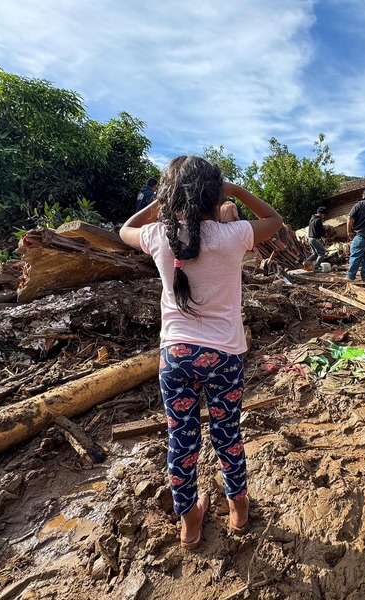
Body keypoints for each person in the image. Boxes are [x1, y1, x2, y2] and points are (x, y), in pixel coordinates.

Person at [120, 156, 283, 550]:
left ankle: (190, 521)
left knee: (182, 439)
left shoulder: (158, 235)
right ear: (215, 194)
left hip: (175, 355)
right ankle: (239, 509)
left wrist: (162, 202)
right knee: (228, 434)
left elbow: (124, 228)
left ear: (170, 196)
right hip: (225, 355)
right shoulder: (234, 235)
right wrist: (239, 191)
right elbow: (276, 221)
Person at [304, 206, 328, 270]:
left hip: (310, 238)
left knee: (315, 253)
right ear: (320, 214)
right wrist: (325, 229)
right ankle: (316, 267)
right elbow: (321, 231)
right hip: (315, 239)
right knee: (322, 253)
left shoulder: (312, 219)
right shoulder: (319, 220)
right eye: (324, 215)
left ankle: (306, 262)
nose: (324, 216)